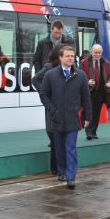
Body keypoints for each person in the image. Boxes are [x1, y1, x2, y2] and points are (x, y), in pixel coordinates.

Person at [39, 45, 91, 189]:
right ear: (61, 58)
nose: (70, 58)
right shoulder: (51, 75)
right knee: (59, 147)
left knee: (70, 147)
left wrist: (88, 117)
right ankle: (61, 171)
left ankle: (71, 176)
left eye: (72, 56)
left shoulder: (80, 75)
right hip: (57, 118)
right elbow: (43, 94)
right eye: (67, 56)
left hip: (73, 118)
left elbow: (86, 97)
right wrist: (52, 111)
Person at [32, 43, 67, 175]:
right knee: (54, 137)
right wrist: (46, 93)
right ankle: (55, 168)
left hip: (65, 107)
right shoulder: (49, 67)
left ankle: (60, 167)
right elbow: (35, 80)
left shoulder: (69, 68)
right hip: (52, 107)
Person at [79, 44, 110, 140]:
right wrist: (87, 82)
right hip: (88, 92)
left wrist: (109, 83)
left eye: (99, 53)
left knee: (97, 113)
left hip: (101, 92)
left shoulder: (106, 63)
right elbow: (79, 76)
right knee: (88, 111)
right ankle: (88, 132)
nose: (97, 54)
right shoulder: (84, 62)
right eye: (95, 52)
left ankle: (94, 132)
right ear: (91, 52)